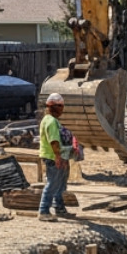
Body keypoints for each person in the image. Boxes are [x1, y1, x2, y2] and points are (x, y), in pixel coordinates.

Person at [37, 92, 71, 221]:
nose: (62, 109)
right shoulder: (51, 121)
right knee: (52, 184)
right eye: (60, 106)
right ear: (54, 107)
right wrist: (58, 157)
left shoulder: (48, 119)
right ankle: (43, 211)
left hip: (54, 155)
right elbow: (54, 141)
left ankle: (59, 208)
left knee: (60, 184)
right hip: (52, 156)